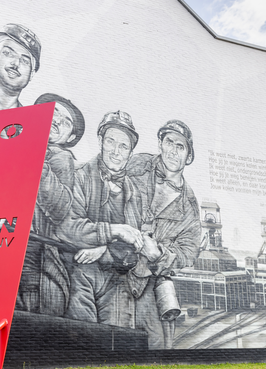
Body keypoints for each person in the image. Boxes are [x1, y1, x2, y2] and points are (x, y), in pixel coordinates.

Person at [59, 111, 149, 328]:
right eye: (111, 141)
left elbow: (136, 245)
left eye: (123, 146)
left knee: (118, 347)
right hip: (79, 274)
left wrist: (103, 250)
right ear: (100, 141)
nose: (116, 152)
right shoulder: (79, 176)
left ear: (130, 152)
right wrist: (115, 231)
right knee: (83, 342)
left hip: (118, 279)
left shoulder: (135, 192)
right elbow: (69, 228)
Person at [126, 120, 201, 349]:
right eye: (169, 142)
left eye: (180, 146)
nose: (173, 150)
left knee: (156, 345)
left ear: (188, 156)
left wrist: (158, 254)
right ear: (160, 143)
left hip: (149, 279)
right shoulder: (138, 165)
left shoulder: (189, 205)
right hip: (112, 266)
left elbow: (188, 252)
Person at [17, 93, 85, 315]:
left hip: (34, 262)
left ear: (70, 136)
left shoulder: (61, 158)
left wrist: (37, 158)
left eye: (66, 121)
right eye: (53, 112)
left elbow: (58, 207)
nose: (56, 120)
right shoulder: (19, 145)